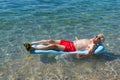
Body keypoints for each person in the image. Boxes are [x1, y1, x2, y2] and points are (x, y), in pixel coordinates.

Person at [24, 34, 105, 58]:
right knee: (50, 40)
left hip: (72, 48)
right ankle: (32, 43)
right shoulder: (91, 39)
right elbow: (82, 42)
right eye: (96, 36)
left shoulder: (93, 45)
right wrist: (77, 40)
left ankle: (32, 48)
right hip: (70, 42)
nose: (95, 37)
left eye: (97, 38)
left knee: (53, 46)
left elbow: (89, 52)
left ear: (99, 41)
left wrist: (82, 55)